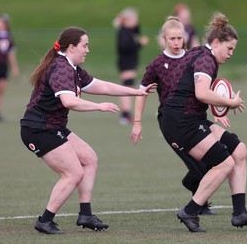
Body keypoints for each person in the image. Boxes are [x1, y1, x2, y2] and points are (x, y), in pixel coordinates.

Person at [20, 26, 156, 234]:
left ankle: (85, 214)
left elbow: (101, 86)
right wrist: (99, 106)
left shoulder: (72, 68)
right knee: (73, 173)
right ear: (72, 47)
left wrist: (136, 92)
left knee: (89, 159)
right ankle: (45, 220)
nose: (87, 50)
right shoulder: (60, 68)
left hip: (52, 127)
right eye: (85, 46)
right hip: (37, 129)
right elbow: (69, 101)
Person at [161, 12, 247, 232]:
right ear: (216, 42)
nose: (230, 54)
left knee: (239, 151)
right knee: (224, 163)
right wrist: (230, 101)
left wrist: (217, 108)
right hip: (180, 121)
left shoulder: (200, 53)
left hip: (190, 117)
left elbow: (192, 90)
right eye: (229, 49)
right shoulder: (205, 59)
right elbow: (201, 93)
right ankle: (189, 211)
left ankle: (240, 213)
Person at [130, 16, 217, 215]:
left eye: (180, 38)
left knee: (213, 160)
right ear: (164, 39)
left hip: (195, 117)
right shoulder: (157, 65)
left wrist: (218, 111)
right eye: (172, 39)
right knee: (198, 164)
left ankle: (192, 185)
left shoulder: (194, 58)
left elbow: (204, 89)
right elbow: (141, 93)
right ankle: (200, 204)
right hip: (171, 121)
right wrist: (137, 122)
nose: (177, 43)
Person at [113, 7, 149, 125]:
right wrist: (139, 43)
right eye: (134, 19)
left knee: (129, 86)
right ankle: (125, 114)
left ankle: (126, 113)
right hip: (126, 62)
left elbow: (137, 30)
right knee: (127, 86)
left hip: (131, 62)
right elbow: (124, 47)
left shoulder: (131, 31)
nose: (136, 22)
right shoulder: (123, 31)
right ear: (127, 20)